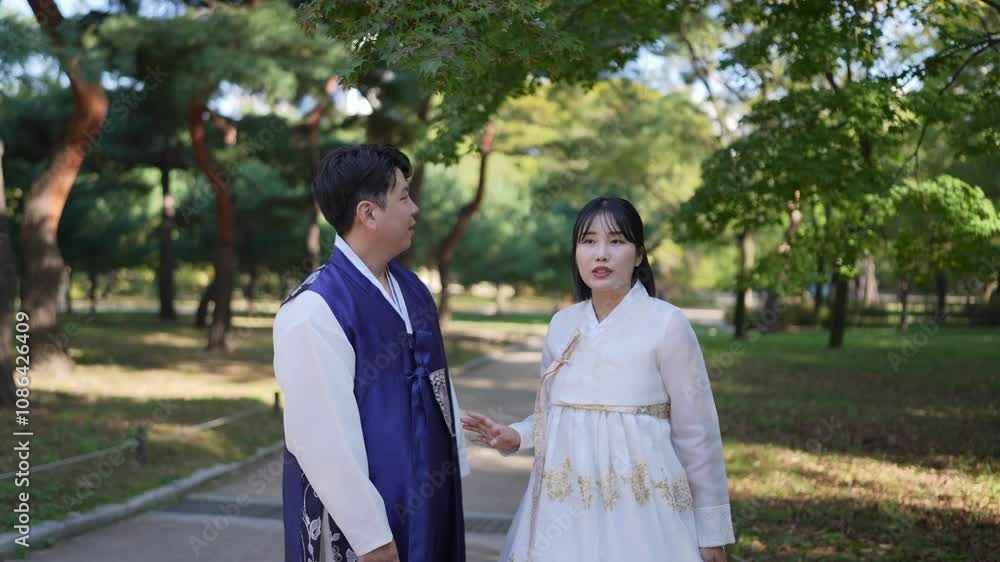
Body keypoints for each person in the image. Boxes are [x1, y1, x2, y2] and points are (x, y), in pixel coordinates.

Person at [462, 197, 734, 562]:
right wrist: (515, 435)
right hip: (563, 513)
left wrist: (711, 531)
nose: (600, 254)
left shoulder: (667, 324)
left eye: (616, 241)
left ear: (639, 255)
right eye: (588, 241)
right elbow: (552, 416)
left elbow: (697, 435)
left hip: (644, 513)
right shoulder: (562, 325)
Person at [273, 144, 468, 562]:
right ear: (369, 213)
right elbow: (320, 440)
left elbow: (436, 381)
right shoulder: (314, 308)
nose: (414, 208)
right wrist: (372, 539)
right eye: (403, 196)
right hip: (359, 526)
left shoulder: (412, 289)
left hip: (429, 498)